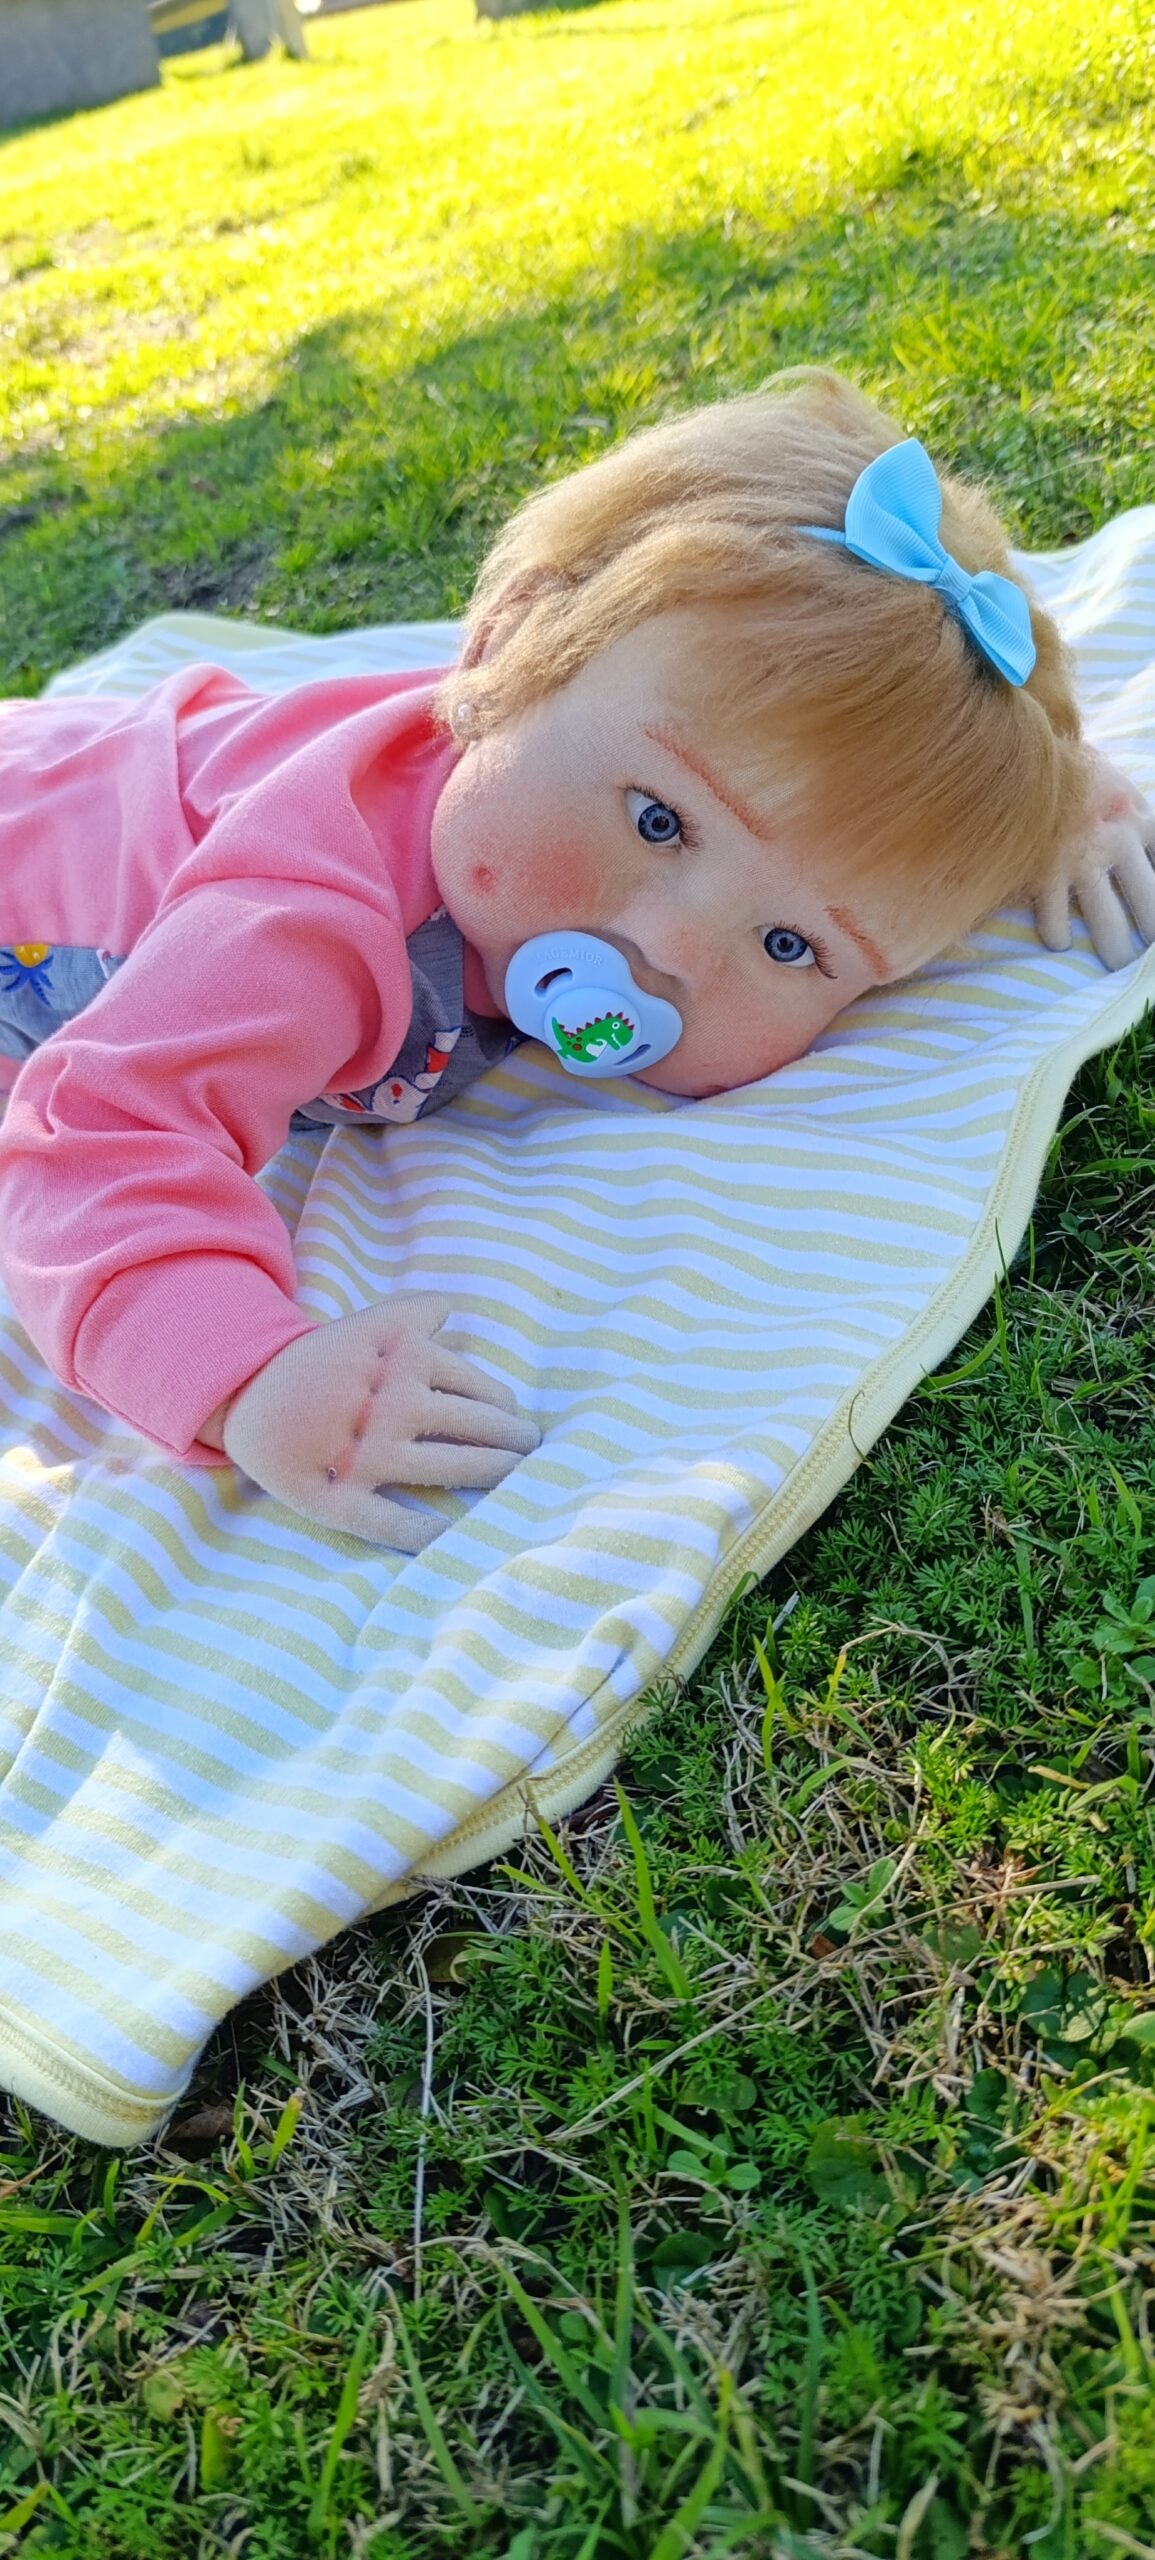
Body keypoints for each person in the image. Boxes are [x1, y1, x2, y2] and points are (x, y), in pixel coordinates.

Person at [0, 367, 1151, 1550]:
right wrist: (247, 1373)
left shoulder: (601, 755)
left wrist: (1060, 802)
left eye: (790, 943)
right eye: (659, 821)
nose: (671, 952)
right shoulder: (307, 920)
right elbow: (90, 1136)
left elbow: (869, 824)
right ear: (510, 649)